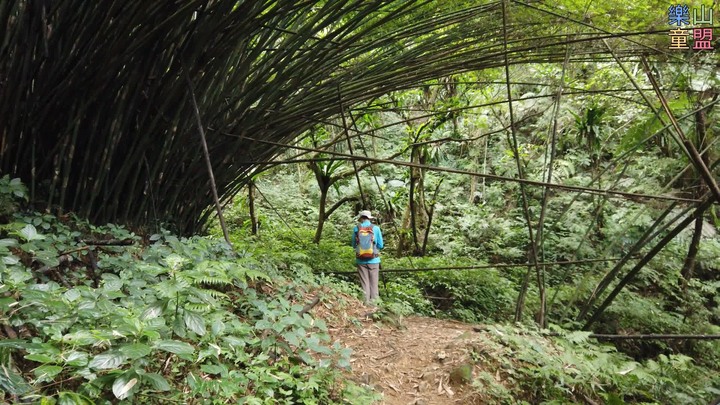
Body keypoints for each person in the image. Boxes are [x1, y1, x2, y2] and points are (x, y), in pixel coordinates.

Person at [351, 210, 384, 305]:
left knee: (364, 283)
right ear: (369, 218)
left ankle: (366, 304)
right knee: (374, 284)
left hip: (360, 260)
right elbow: (381, 245)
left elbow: (353, 244)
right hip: (374, 259)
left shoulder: (356, 229)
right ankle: (374, 305)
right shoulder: (376, 228)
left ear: (361, 218)